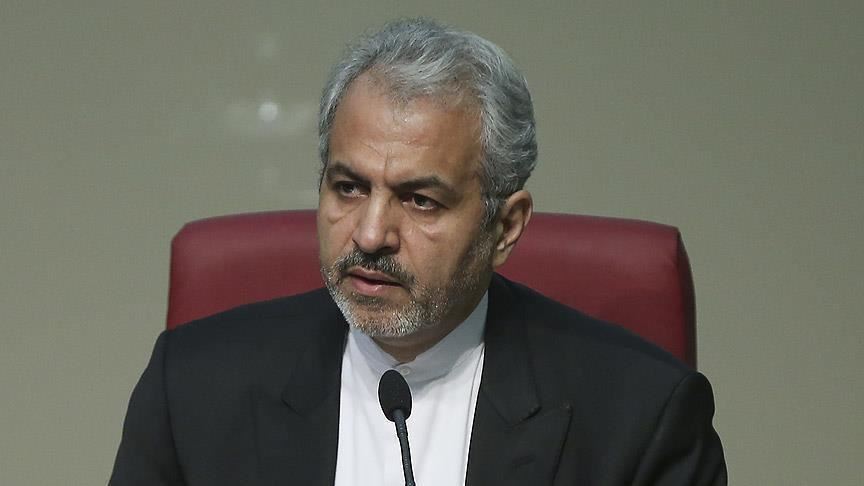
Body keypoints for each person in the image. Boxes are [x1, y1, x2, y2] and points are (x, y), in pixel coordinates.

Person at [110, 18, 726, 485]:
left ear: (506, 227)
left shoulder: (642, 419)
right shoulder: (191, 390)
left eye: (421, 200)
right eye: (348, 188)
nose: (370, 234)